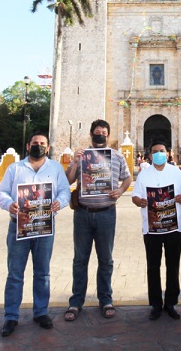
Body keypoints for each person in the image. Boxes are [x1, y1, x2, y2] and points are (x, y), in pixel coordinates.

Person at [0, 131, 70, 336]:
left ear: (48, 147)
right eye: (35, 143)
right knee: (15, 273)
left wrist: (60, 202)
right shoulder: (15, 168)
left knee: (43, 272)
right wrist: (9, 204)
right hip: (19, 226)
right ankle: (11, 316)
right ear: (28, 146)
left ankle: (40, 312)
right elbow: (1, 193)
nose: (39, 146)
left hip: (45, 225)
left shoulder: (55, 168)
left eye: (42, 143)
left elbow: (65, 190)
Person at [63, 119, 132, 321]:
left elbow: (127, 178)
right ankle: (76, 302)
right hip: (83, 213)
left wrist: (120, 190)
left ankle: (106, 299)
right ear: (91, 135)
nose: (100, 135)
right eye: (97, 132)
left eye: (103, 132)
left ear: (108, 136)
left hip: (106, 213)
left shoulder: (117, 156)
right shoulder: (82, 156)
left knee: (106, 260)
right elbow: (67, 180)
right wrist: (74, 162)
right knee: (80, 260)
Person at [132, 141, 181, 320]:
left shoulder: (176, 172)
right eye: (155, 151)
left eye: (162, 151)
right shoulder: (144, 175)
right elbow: (135, 196)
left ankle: (171, 302)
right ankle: (156, 304)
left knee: (173, 266)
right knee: (153, 266)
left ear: (168, 153)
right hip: (152, 229)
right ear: (149, 155)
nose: (159, 154)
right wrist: (139, 201)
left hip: (174, 227)